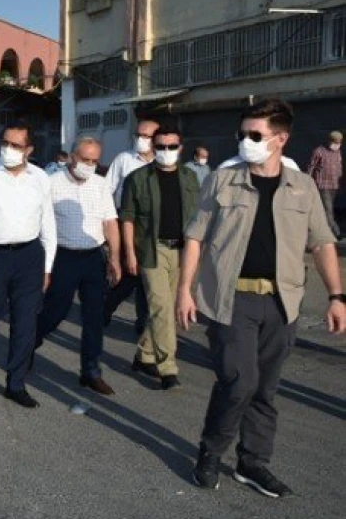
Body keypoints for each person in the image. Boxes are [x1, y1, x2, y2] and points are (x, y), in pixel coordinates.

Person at [178, 99, 346, 497]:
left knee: (266, 389)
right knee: (238, 382)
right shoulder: (221, 181)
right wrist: (185, 289)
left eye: (256, 135)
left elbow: (322, 243)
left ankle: (253, 463)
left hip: (281, 302)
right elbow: (195, 237)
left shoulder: (302, 186)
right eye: (243, 134)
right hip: (230, 299)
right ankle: (211, 452)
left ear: (280, 139)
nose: (245, 141)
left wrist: (337, 296)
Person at [0, 122, 57, 408]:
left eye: (16, 145)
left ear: (29, 150)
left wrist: (48, 267)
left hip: (30, 257)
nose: (8, 149)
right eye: (5, 143)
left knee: (25, 323)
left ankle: (15, 383)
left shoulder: (41, 178)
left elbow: (48, 224)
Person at [33, 137, 121, 394]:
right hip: (64, 256)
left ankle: (91, 371)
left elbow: (110, 222)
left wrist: (114, 258)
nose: (89, 165)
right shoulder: (51, 183)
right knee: (55, 312)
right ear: (72, 157)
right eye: (85, 160)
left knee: (95, 317)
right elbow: (39, 222)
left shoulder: (101, 185)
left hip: (93, 257)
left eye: (95, 161)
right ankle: (27, 346)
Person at [120, 120, 200, 390]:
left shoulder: (190, 178)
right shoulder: (138, 178)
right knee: (163, 308)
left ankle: (144, 355)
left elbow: (199, 217)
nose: (166, 150)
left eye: (172, 146)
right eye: (161, 146)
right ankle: (167, 367)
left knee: (163, 309)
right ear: (153, 148)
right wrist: (129, 253)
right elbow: (128, 218)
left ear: (180, 147)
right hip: (151, 251)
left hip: (183, 251)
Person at [102, 118, 159, 340]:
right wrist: (108, 225)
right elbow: (107, 190)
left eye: (146, 136)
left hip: (153, 228)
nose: (140, 139)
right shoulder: (124, 160)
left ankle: (143, 320)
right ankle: (106, 307)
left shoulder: (164, 161)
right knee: (129, 275)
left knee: (149, 277)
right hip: (125, 222)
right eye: (138, 135)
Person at [306, 130, 342, 239]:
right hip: (323, 185)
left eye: (339, 143)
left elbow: (339, 166)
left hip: (334, 185)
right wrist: (308, 182)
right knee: (328, 210)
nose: (337, 145)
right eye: (335, 142)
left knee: (327, 210)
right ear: (329, 141)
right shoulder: (319, 151)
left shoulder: (337, 152)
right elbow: (311, 167)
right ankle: (337, 233)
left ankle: (324, 232)